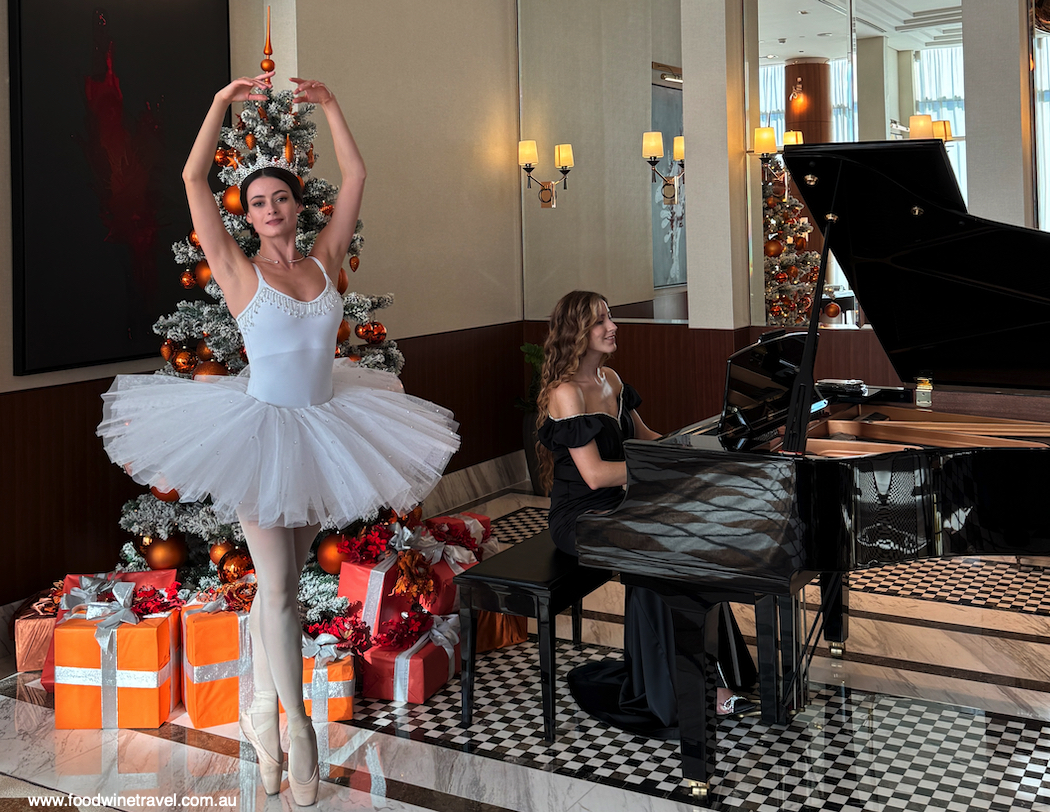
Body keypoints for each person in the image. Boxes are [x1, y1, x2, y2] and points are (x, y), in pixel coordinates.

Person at [97, 74, 459, 805]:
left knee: (279, 589)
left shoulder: (326, 261)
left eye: (279, 199)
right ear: (248, 214)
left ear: (296, 205)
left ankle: (260, 707)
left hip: (326, 429)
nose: (268, 211)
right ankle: (299, 730)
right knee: (285, 588)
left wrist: (330, 108)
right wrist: (219, 105)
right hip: (261, 436)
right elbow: (192, 176)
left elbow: (356, 174)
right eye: (257, 203)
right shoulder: (238, 270)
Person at [535, 290, 756, 739]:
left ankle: (715, 672)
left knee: (691, 546)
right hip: (582, 515)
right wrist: (661, 470)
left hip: (622, 502)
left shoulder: (611, 379)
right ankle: (684, 689)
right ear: (577, 332)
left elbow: (646, 437)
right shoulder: (565, 394)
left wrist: (692, 443)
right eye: (600, 321)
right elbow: (595, 476)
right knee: (655, 558)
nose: (612, 326)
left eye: (610, 317)